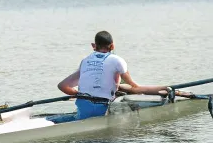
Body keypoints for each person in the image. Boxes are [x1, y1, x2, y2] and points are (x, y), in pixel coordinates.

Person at [55, 31, 190, 120]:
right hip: (102, 108)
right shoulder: (117, 60)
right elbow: (134, 87)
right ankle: (171, 90)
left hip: (83, 107)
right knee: (130, 91)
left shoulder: (85, 61)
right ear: (112, 46)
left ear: (93, 46)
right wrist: (164, 89)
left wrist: (78, 94)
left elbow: (62, 86)